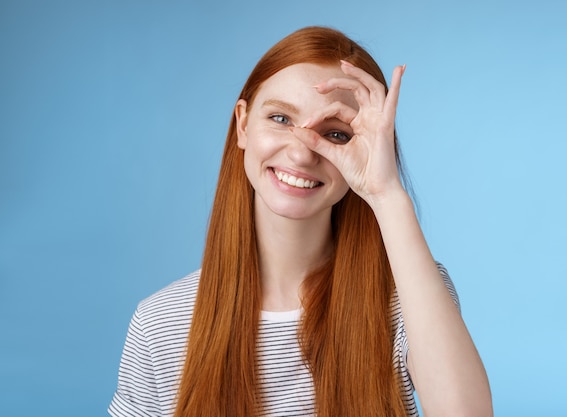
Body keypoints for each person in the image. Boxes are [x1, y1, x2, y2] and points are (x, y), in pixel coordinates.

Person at [109, 26, 492, 417]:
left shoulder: (410, 296)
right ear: (242, 124)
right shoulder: (160, 324)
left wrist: (386, 195)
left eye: (337, 134)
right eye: (280, 117)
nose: (302, 153)